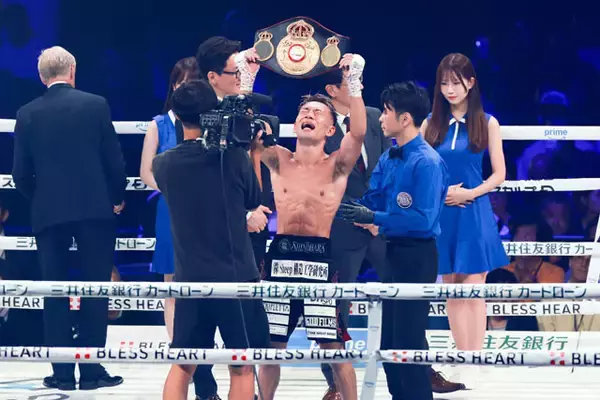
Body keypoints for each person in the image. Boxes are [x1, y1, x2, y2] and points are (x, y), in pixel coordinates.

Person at [252, 53, 366, 400]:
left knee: (333, 346)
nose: (309, 115)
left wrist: (354, 81)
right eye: (304, 111)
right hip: (280, 255)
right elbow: (246, 132)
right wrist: (247, 77)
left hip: (319, 258)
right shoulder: (278, 158)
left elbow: (359, 132)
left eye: (317, 113)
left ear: (331, 129)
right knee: (271, 345)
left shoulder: (337, 165)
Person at [11, 46, 126, 390]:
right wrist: (116, 197)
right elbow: (113, 160)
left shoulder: (27, 113)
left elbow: (20, 174)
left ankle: (61, 373)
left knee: (54, 290)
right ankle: (90, 372)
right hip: (94, 209)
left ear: (42, 76)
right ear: (72, 71)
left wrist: (41, 198)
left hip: (49, 211)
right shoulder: (96, 105)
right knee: (94, 288)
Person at [153, 79, 270, 400]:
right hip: (236, 277)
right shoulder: (234, 158)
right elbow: (254, 199)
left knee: (183, 364)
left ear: (178, 115)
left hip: (191, 277)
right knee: (241, 365)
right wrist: (252, 152)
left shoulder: (163, 164)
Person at [337, 81, 449, 400]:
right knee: (389, 344)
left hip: (418, 256)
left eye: (386, 111)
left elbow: (422, 220)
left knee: (409, 344)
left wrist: (374, 217)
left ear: (405, 118)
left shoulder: (427, 162)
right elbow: (373, 197)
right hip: (392, 253)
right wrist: (342, 206)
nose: (381, 118)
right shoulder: (389, 157)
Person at [421, 53, 508, 386]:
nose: (449, 89)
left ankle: (475, 358)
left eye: (455, 83)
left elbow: (499, 174)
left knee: (474, 286)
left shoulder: (487, 123)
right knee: (452, 287)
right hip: (442, 210)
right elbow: (421, 168)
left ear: (470, 83)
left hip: (473, 209)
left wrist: (470, 193)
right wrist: (442, 192)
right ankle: (462, 357)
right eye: (444, 83)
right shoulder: (430, 124)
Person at [193, 35, 269, 400]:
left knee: (244, 331)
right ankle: (206, 392)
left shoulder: (242, 112)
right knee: (201, 332)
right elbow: (202, 183)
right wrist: (242, 214)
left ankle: (243, 392)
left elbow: (244, 168)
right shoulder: (197, 116)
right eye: (234, 71)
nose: (239, 76)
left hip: (244, 241)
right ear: (212, 77)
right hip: (209, 240)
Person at [140, 56, 199, 341]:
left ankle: (201, 346)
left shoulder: (209, 125)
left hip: (204, 210)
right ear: (173, 86)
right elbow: (145, 172)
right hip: (170, 208)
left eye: (193, 84)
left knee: (204, 281)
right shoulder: (158, 125)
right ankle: (178, 348)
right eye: (182, 83)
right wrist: (171, 191)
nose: (186, 89)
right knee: (171, 283)